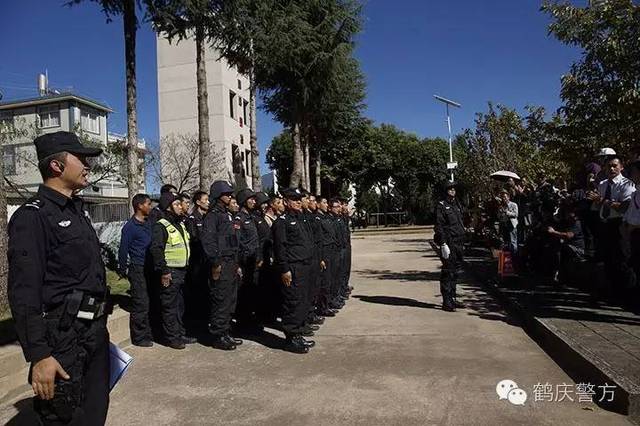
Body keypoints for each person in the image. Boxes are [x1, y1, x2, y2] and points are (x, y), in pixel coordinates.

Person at [8, 131, 111, 425]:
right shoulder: (33, 217)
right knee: (65, 417)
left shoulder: (78, 212)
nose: (87, 165)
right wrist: (39, 355)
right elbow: (24, 291)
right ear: (57, 166)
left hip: (92, 331)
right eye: (81, 158)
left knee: (94, 412)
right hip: (62, 340)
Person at [272, 188, 316, 353]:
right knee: (293, 302)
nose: (298, 202)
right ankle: (291, 339)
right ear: (286, 201)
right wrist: (285, 270)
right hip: (293, 268)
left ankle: (298, 334)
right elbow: (280, 248)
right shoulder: (281, 222)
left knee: (303, 301)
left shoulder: (301, 219)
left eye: (299, 199)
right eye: (294, 199)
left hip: (305, 266)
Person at [201, 181, 243, 350]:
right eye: (227, 194)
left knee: (230, 300)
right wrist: (215, 263)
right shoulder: (213, 216)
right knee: (221, 300)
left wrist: (236, 263)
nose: (230, 196)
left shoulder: (227, 214)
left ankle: (225, 331)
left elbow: (232, 241)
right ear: (219, 196)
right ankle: (218, 335)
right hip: (221, 263)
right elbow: (209, 241)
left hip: (231, 262)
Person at [149, 192, 194, 349]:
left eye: (180, 204)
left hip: (182, 272)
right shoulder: (161, 225)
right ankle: (172, 338)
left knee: (179, 305)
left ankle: (180, 333)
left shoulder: (180, 224)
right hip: (170, 272)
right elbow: (156, 249)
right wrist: (164, 271)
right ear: (168, 207)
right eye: (176, 204)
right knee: (170, 306)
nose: (180, 207)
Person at [587, 156, 636, 294]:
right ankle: (610, 290)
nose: (611, 169)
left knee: (621, 259)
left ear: (621, 167)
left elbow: (623, 207)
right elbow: (599, 205)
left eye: (614, 165)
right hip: (604, 223)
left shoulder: (627, 184)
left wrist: (602, 200)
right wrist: (596, 201)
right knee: (606, 259)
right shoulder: (602, 184)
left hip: (619, 224)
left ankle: (626, 292)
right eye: (608, 166)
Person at [118, 193, 153, 347]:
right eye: (148, 204)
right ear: (140, 206)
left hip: (149, 267)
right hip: (137, 268)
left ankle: (149, 332)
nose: (150, 207)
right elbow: (123, 249)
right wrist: (122, 268)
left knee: (150, 302)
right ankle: (139, 337)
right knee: (141, 303)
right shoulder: (130, 227)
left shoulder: (148, 224)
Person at [234, 188, 262, 333]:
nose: (253, 201)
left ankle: (249, 319)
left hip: (253, 261)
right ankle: (242, 323)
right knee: (243, 293)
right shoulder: (239, 219)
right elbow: (237, 243)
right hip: (244, 261)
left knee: (251, 291)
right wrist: (237, 264)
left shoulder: (251, 217)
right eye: (250, 199)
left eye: (254, 199)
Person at [434, 182, 466, 312]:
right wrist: (442, 243)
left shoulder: (457, 205)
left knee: (456, 271)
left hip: (459, 241)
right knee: (448, 271)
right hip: (449, 242)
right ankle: (446, 300)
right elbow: (439, 225)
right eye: (450, 189)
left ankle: (453, 297)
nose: (453, 191)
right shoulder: (441, 206)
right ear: (446, 191)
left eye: (454, 189)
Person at [184, 191, 210, 324]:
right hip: (196, 262)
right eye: (206, 200)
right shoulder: (192, 219)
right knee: (197, 291)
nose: (208, 202)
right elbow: (194, 240)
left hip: (207, 260)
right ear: (199, 202)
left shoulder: (208, 218)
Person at [547, 202, 586, 285]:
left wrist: (554, 232)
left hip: (577, 249)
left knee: (561, 248)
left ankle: (558, 273)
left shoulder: (577, 223)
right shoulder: (566, 222)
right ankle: (555, 272)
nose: (567, 214)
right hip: (568, 246)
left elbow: (568, 235)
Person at [316, 196, 340, 317]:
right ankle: (323, 307)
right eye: (324, 203)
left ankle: (328, 304)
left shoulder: (326, 218)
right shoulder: (318, 219)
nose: (326, 205)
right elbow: (319, 240)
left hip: (331, 251)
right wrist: (321, 258)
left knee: (330, 280)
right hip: (324, 252)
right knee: (324, 282)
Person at [624, 158, 640, 294]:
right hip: (632, 233)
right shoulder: (636, 192)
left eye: (634, 172)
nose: (631, 175)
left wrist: (631, 227)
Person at [498, 189, 519, 254]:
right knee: (505, 242)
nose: (503, 198)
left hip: (511, 224)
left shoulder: (513, 204)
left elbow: (516, 214)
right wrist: (500, 213)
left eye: (505, 197)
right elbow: (498, 216)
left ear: (508, 197)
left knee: (513, 241)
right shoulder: (501, 206)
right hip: (504, 224)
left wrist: (507, 212)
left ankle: (514, 256)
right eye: (502, 197)